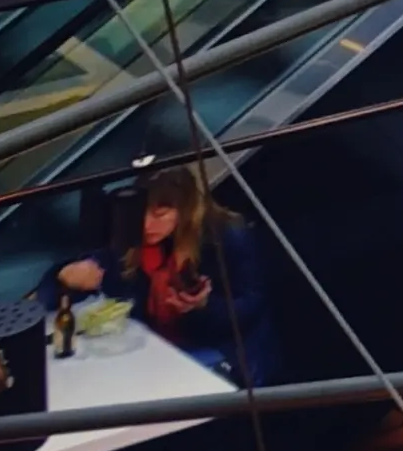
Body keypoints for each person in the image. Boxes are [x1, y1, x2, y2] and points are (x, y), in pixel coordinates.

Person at [52, 166, 277, 387]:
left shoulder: (226, 236)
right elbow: (93, 269)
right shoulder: (135, 238)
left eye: (160, 214)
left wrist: (204, 306)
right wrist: (67, 275)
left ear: (185, 209)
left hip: (226, 354)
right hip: (154, 347)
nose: (148, 225)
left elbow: (251, 308)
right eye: (143, 213)